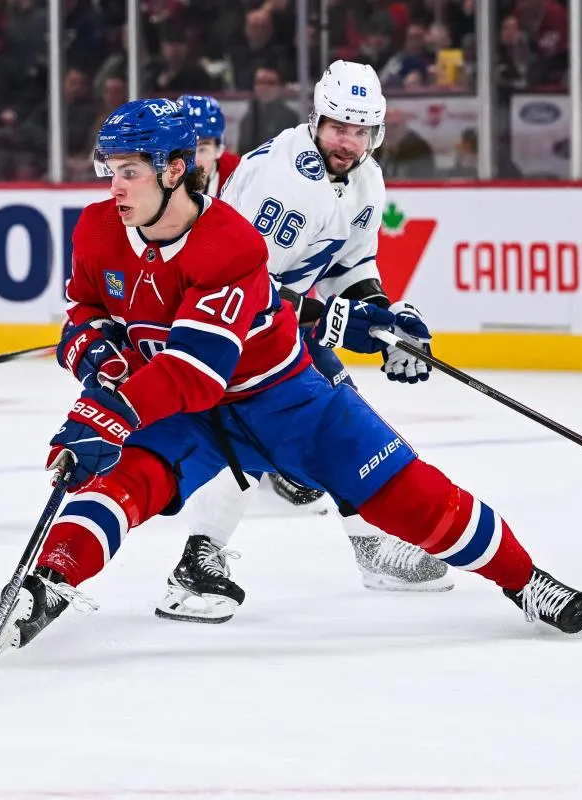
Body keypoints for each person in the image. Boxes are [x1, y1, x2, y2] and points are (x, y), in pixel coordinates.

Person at [0, 97, 582, 654]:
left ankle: (526, 581)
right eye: (110, 169)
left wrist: (109, 410)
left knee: (416, 500)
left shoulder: (230, 243)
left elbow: (196, 371)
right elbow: (85, 318)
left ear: (173, 171)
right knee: (120, 480)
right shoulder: (99, 229)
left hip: (287, 400)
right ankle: (46, 584)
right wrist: (99, 362)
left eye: (129, 172)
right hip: (194, 413)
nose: (113, 186)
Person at [155, 61, 455, 626]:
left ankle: (241, 541)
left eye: (361, 131)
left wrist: (383, 317)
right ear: (316, 119)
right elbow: (240, 282)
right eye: (339, 127)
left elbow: (353, 263)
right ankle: (203, 556)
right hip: (219, 318)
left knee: (320, 419)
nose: (348, 141)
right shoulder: (281, 176)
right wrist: (336, 321)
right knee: (267, 427)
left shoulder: (366, 178)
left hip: (274, 322)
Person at [177, 94, 240, 198]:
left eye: (202, 149)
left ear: (218, 150)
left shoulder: (238, 172)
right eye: (185, 148)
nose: (193, 160)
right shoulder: (155, 176)